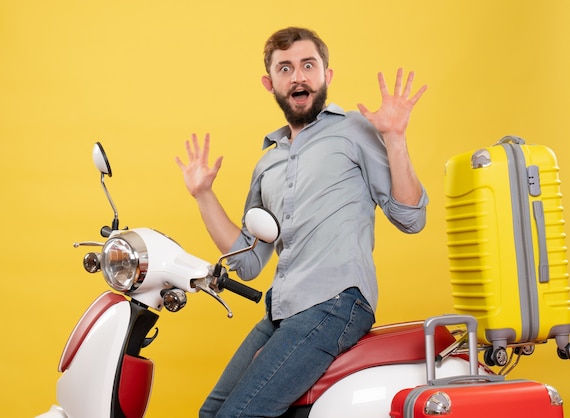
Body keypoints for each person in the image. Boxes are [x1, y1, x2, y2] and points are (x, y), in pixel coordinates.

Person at [176, 26, 428, 418]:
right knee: (212, 413)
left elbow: (410, 217)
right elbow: (248, 261)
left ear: (327, 75)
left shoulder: (354, 131)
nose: (298, 76)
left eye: (308, 65)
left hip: (337, 302)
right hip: (282, 309)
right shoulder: (269, 161)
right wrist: (203, 196)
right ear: (270, 82)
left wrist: (395, 138)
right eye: (286, 68)